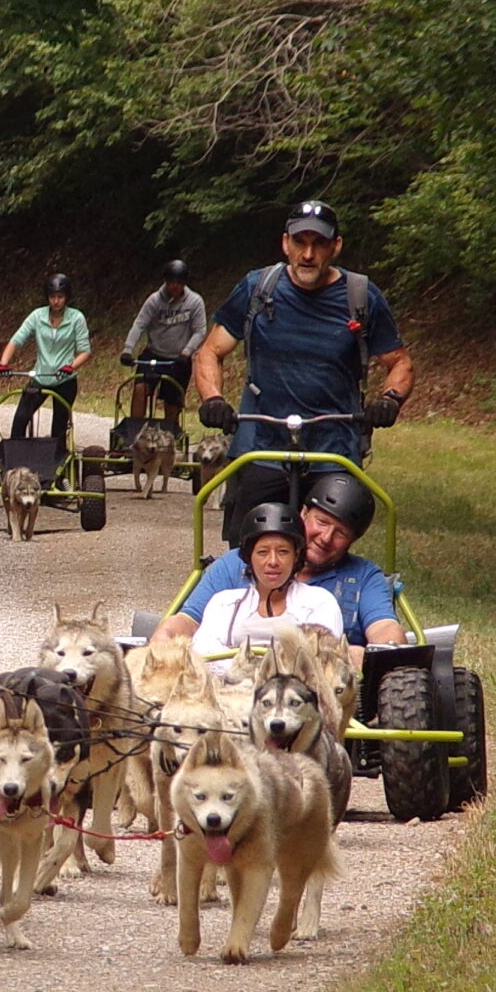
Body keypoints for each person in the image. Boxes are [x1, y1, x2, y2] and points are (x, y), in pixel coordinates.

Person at [193, 200, 414, 548]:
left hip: (333, 448)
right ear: (286, 243)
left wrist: (389, 400)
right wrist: (213, 399)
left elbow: (399, 362)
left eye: (319, 243)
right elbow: (210, 350)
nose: (308, 253)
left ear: (335, 246)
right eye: (300, 242)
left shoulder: (361, 296)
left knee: (326, 549)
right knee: (251, 550)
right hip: (261, 444)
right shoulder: (258, 288)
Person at [153, 472, 406, 666]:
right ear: (303, 513)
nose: (325, 537)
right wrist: (164, 637)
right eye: (321, 522)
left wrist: (374, 653)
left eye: (340, 533)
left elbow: (385, 630)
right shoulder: (233, 566)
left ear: (353, 540)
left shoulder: (361, 579)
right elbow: (188, 621)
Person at [183, 502, 343, 673]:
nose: (273, 562)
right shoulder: (225, 603)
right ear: (249, 557)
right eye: (262, 552)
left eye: (283, 552)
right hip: (231, 693)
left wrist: (239, 660)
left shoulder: (319, 602)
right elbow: (204, 656)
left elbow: (319, 664)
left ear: (296, 556)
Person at [0, 273, 92, 440]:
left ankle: (57, 463)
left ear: (67, 297)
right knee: (20, 419)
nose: (56, 301)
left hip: (65, 380)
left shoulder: (76, 318)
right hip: (40, 377)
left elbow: (85, 351)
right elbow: (17, 339)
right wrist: (3, 364)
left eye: (60, 297)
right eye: (52, 297)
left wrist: (71, 367)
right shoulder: (37, 316)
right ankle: (15, 459)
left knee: (59, 428)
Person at [119, 260, 207, 428]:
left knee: (172, 402)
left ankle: (169, 437)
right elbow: (139, 324)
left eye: (179, 283)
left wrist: (186, 352)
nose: (174, 287)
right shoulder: (154, 301)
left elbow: (200, 331)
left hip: (178, 359)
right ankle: (134, 431)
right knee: (140, 390)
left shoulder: (195, 302)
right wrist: (127, 350)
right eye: (171, 282)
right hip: (153, 354)